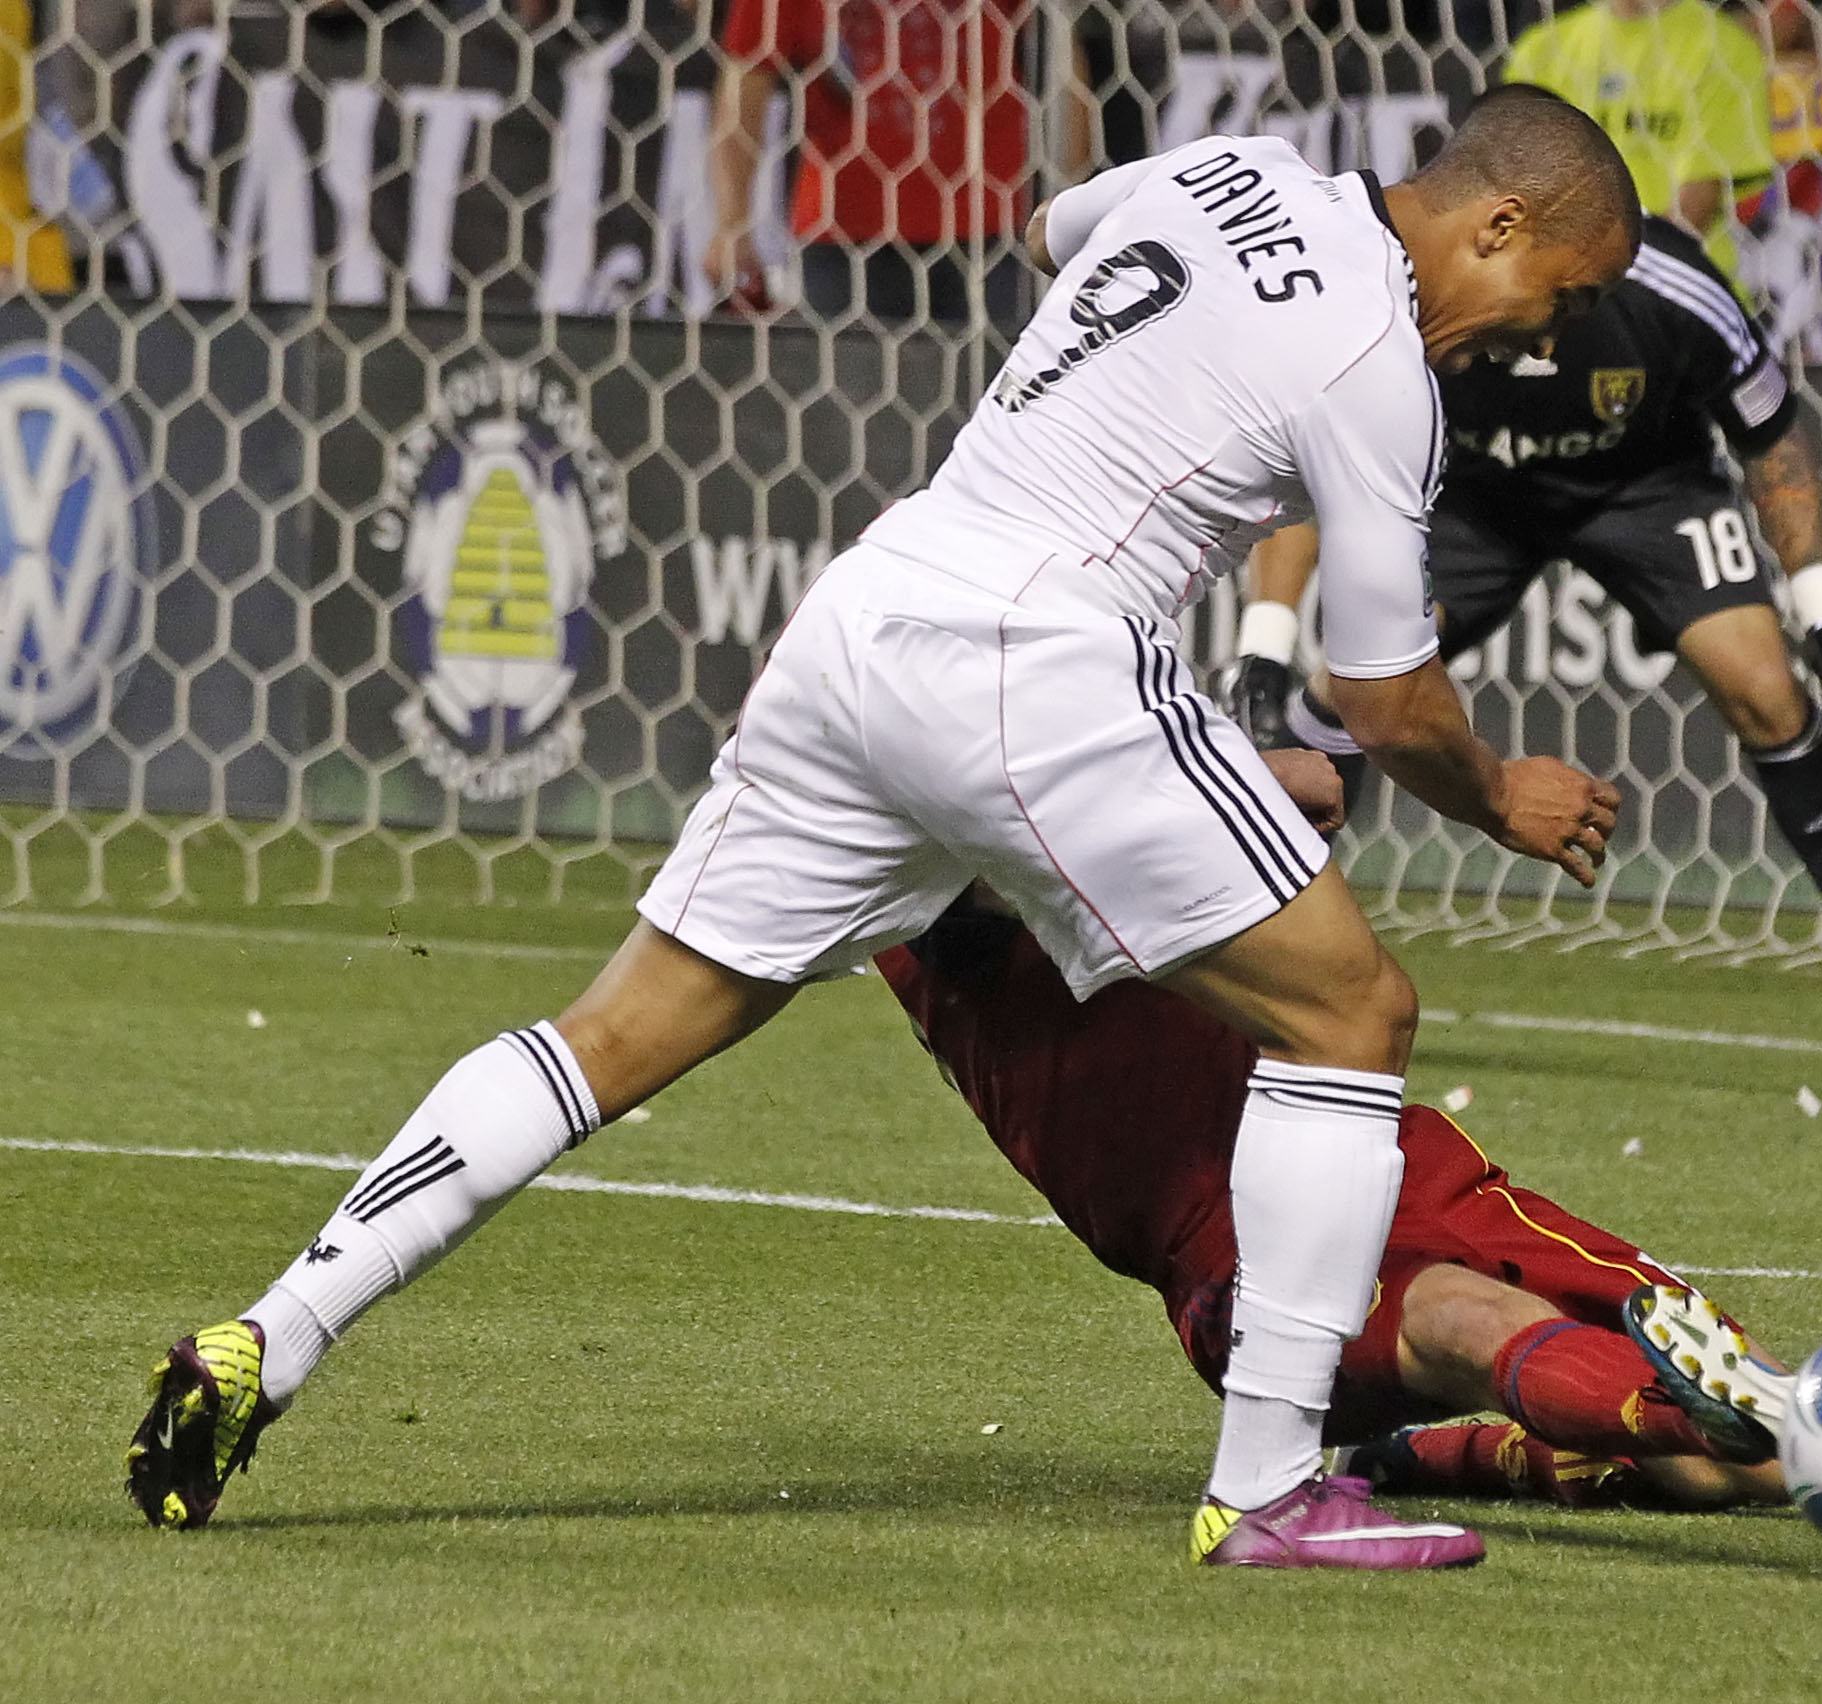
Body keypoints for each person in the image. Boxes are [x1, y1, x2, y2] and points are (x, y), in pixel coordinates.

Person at [127, 93, 1644, 1572]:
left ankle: (275, 1329)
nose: (1540, 336)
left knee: (611, 1034)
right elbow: (1381, 699)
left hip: (871, 615)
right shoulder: (1381, 360)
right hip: (1041, 651)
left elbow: (1052, 233)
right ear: (1498, 222)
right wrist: (1502, 790)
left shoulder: (1236, 167)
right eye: (1554, 294)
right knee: (1353, 1013)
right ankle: (1266, 1492)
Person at [1223, 203, 1822, 1110]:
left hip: (1645, 488)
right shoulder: (1402, 296)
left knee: (1771, 697)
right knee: (1346, 699)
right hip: (1470, 498)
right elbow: (1320, 466)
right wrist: (1263, 647)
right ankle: (1251, 988)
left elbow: (1768, 438)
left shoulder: (1673, 289)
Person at [876, 823, 1791, 1517]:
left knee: (1774, 1462)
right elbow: (1016, 865)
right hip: (1238, 1246)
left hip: (1400, 1156)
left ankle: (1438, 1458)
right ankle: (1692, 1409)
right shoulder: (923, 867)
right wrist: (1252, 774)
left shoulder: (1061, 736)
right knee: (1470, 1322)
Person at [702, 0, 1046, 322]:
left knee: (1000, 379)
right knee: (850, 380)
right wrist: (731, 222)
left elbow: (1060, 52)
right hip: (842, 232)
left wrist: (1068, 203)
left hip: (990, 227)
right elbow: (745, 84)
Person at [1499, 0, 1774, 285]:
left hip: (1677, 289)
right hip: (1564, 291)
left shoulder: (1724, 49)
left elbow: (1690, 215)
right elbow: (1519, 201)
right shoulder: (1539, 50)